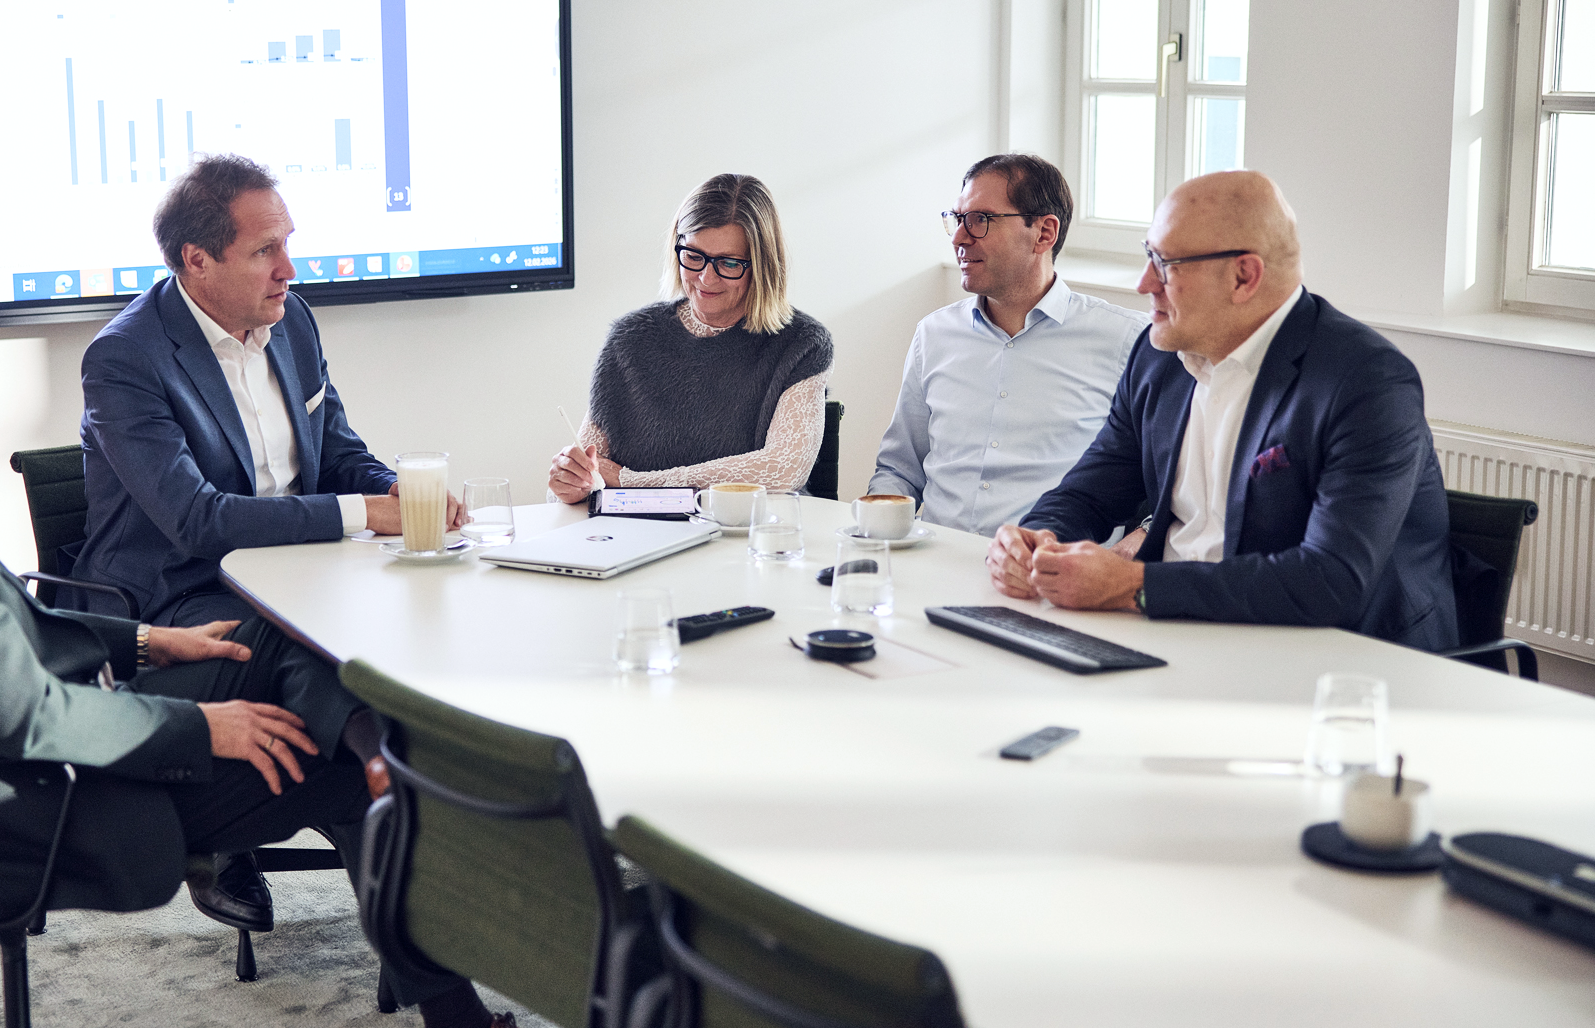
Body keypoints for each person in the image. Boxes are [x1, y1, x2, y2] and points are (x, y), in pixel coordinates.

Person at [0, 244, 597, 1028]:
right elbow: (24, 713)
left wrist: (148, 643)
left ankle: (388, 763)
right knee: (344, 769)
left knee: (259, 648)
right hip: (6, 806)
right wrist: (205, 727)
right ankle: (454, 1013)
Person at [987, 171, 1457, 651]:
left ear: (1243, 276)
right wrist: (1034, 538)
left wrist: (1133, 585)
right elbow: (1091, 490)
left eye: (1166, 264)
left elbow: (1330, 580)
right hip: (1172, 630)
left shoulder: (1365, 381)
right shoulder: (1158, 357)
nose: (1144, 283)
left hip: (1335, 657)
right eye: (1148, 255)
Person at [72, 154, 461, 630]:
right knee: (335, 651)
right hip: (182, 596)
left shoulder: (290, 319)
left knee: (437, 605)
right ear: (198, 260)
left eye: (286, 244)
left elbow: (336, 455)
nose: (289, 270)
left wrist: (396, 493)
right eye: (264, 251)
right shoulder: (125, 358)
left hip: (298, 570)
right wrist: (366, 512)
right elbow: (198, 520)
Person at [868, 153, 1146, 534]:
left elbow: (1165, 485)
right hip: (933, 561)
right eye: (957, 219)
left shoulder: (1126, 341)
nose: (959, 238)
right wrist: (876, 533)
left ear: (1044, 233)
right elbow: (899, 470)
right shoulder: (933, 334)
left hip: (1046, 577)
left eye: (981, 220)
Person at [547, 173, 833, 501]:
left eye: (727, 263)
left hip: (749, 540)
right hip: (643, 541)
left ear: (761, 266)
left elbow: (783, 470)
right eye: (694, 256)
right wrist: (569, 484)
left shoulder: (803, 344)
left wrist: (630, 481)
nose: (705, 278)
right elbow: (588, 474)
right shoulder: (630, 339)